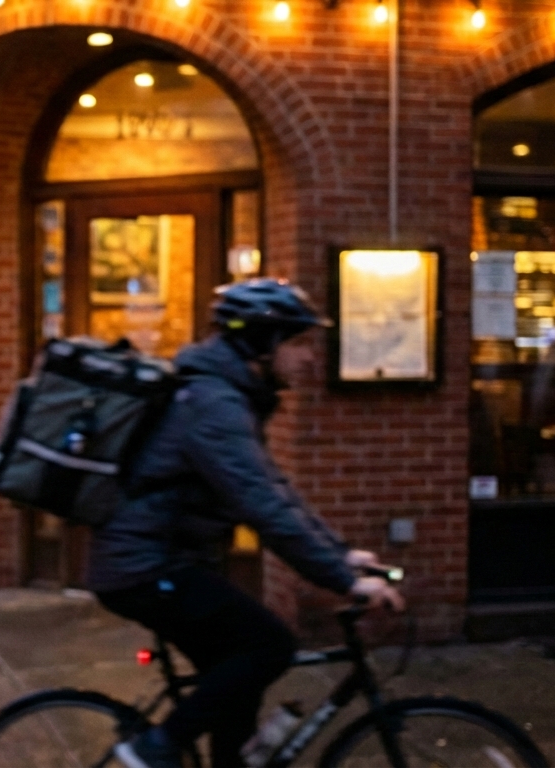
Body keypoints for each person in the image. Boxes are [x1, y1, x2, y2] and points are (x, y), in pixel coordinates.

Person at [90, 278, 405, 768]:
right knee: (269, 645)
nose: (309, 358)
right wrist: (342, 580)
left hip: (167, 560)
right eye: (297, 343)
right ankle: (156, 746)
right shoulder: (213, 404)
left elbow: (275, 488)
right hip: (146, 567)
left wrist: (340, 553)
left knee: (236, 680)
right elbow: (262, 507)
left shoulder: (228, 397)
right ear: (260, 343)